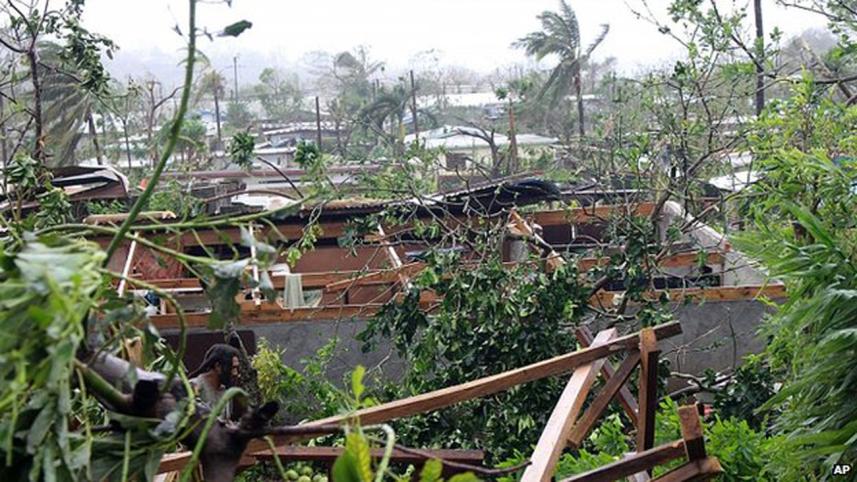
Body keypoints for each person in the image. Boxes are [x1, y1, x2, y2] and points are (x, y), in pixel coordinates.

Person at [187, 343, 241, 419]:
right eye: (232, 368)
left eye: (236, 368)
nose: (235, 373)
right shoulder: (194, 386)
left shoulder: (225, 391)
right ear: (218, 366)